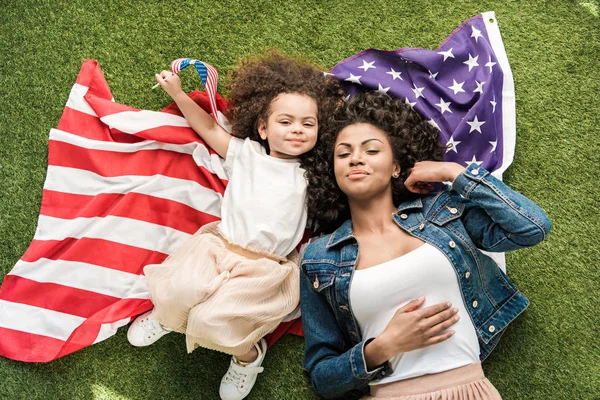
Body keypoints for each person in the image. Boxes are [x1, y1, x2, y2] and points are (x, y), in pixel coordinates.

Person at [300, 91, 552, 399]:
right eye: (343, 153)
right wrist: (384, 345)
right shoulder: (319, 258)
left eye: (372, 150)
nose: (356, 158)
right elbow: (321, 377)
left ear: (396, 166)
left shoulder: (442, 213)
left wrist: (453, 173)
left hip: (469, 390)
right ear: (335, 171)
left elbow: (532, 227)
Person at [126, 51, 342, 400]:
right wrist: (179, 94)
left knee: (222, 321)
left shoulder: (313, 175)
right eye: (285, 122)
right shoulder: (247, 155)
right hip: (218, 247)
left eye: (308, 123)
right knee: (176, 290)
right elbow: (209, 127)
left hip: (264, 267)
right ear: (262, 128)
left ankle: (247, 358)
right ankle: (166, 318)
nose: (297, 130)